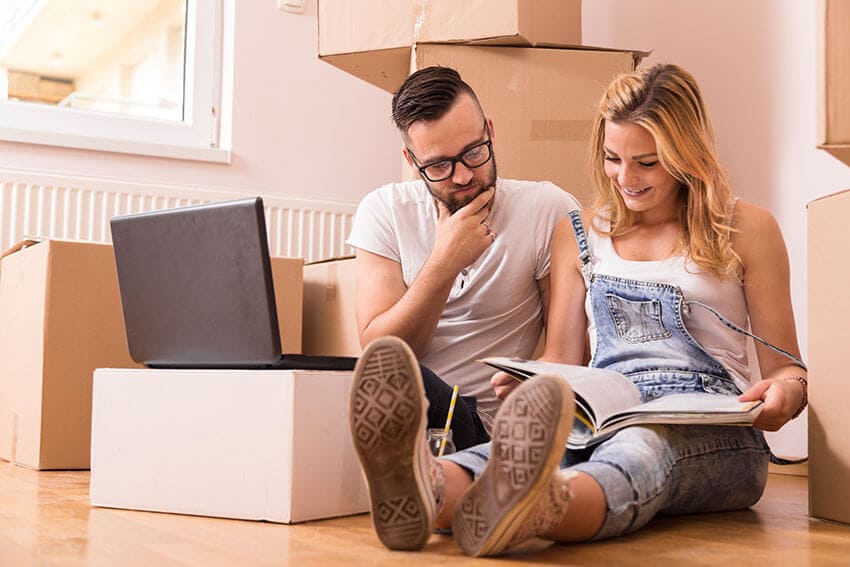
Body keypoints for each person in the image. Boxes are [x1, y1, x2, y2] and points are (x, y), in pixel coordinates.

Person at [348, 63, 808, 556]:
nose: (625, 179)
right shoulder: (582, 228)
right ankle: (432, 486)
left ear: (687, 153)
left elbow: (788, 370)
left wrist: (783, 396)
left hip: (711, 427)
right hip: (607, 408)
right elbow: (563, 357)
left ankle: (540, 507)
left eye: (647, 162)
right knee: (534, 450)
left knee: (641, 453)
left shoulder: (748, 228)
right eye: (612, 158)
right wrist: (530, 377)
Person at [346, 65, 580, 454]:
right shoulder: (383, 210)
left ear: (489, 130)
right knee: (368, 375)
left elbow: (572, 352)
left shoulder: (545, 209)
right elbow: (383, 351)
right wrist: (445, 259)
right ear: (410, 159)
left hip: (485, 422)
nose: (462, 176)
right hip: (410, 406)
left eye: (474, 152)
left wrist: (535, 379)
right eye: (438, 165)